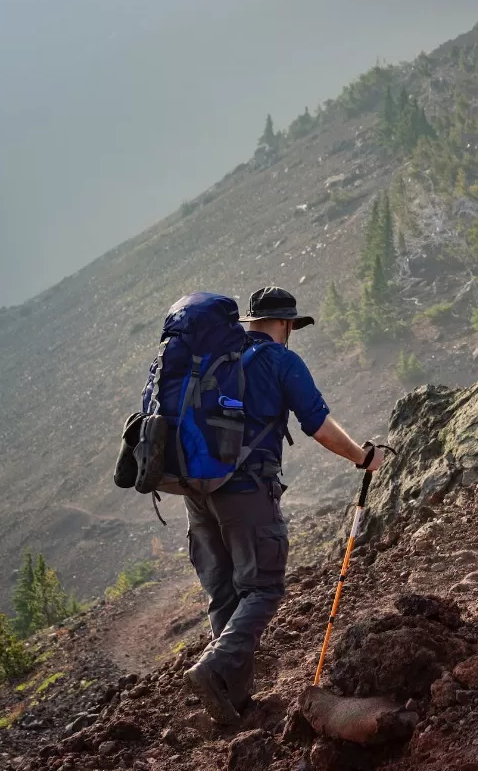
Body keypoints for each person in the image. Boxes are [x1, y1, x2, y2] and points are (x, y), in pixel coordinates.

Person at [184, 286, 387, 726]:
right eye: (292, 325)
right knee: (263, 588)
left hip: (196, 492)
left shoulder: (214, 359)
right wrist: (363, 456)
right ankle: (214, 669)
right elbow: (317, 424)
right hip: (246, 490)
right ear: (286, 324)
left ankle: (233, 705)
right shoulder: (281, 361)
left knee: (226, 594)